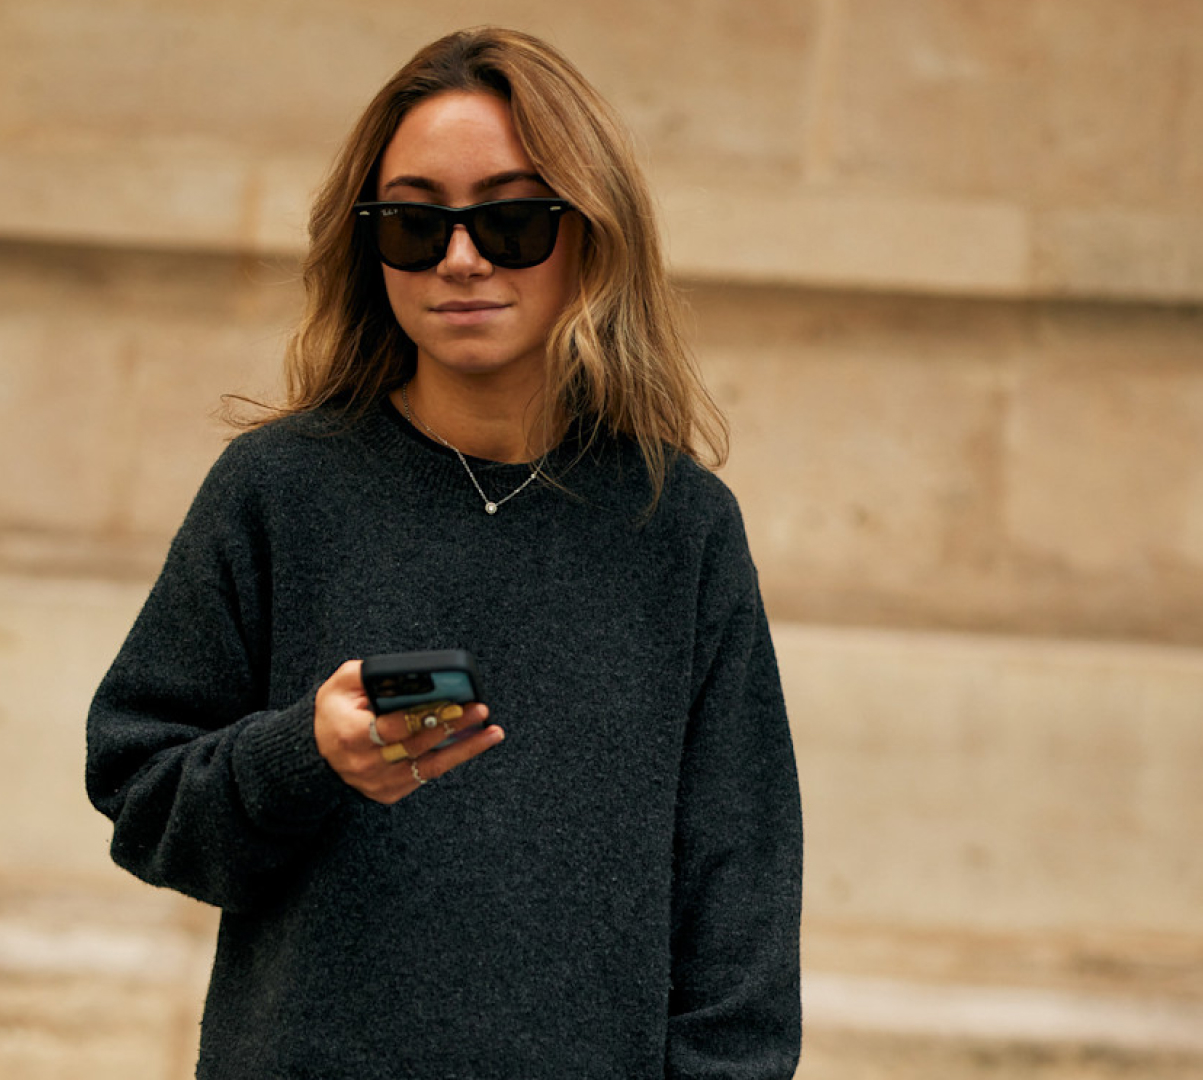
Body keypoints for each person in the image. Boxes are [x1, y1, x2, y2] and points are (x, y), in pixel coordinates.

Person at [87, 26, 802, 1079]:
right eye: (415, 224)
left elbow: (739, 911)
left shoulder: (679, 528)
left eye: (512, 220)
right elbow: (140, 794)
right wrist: (305, 758)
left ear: (589, 236)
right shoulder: (281, 491)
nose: (461, 259)